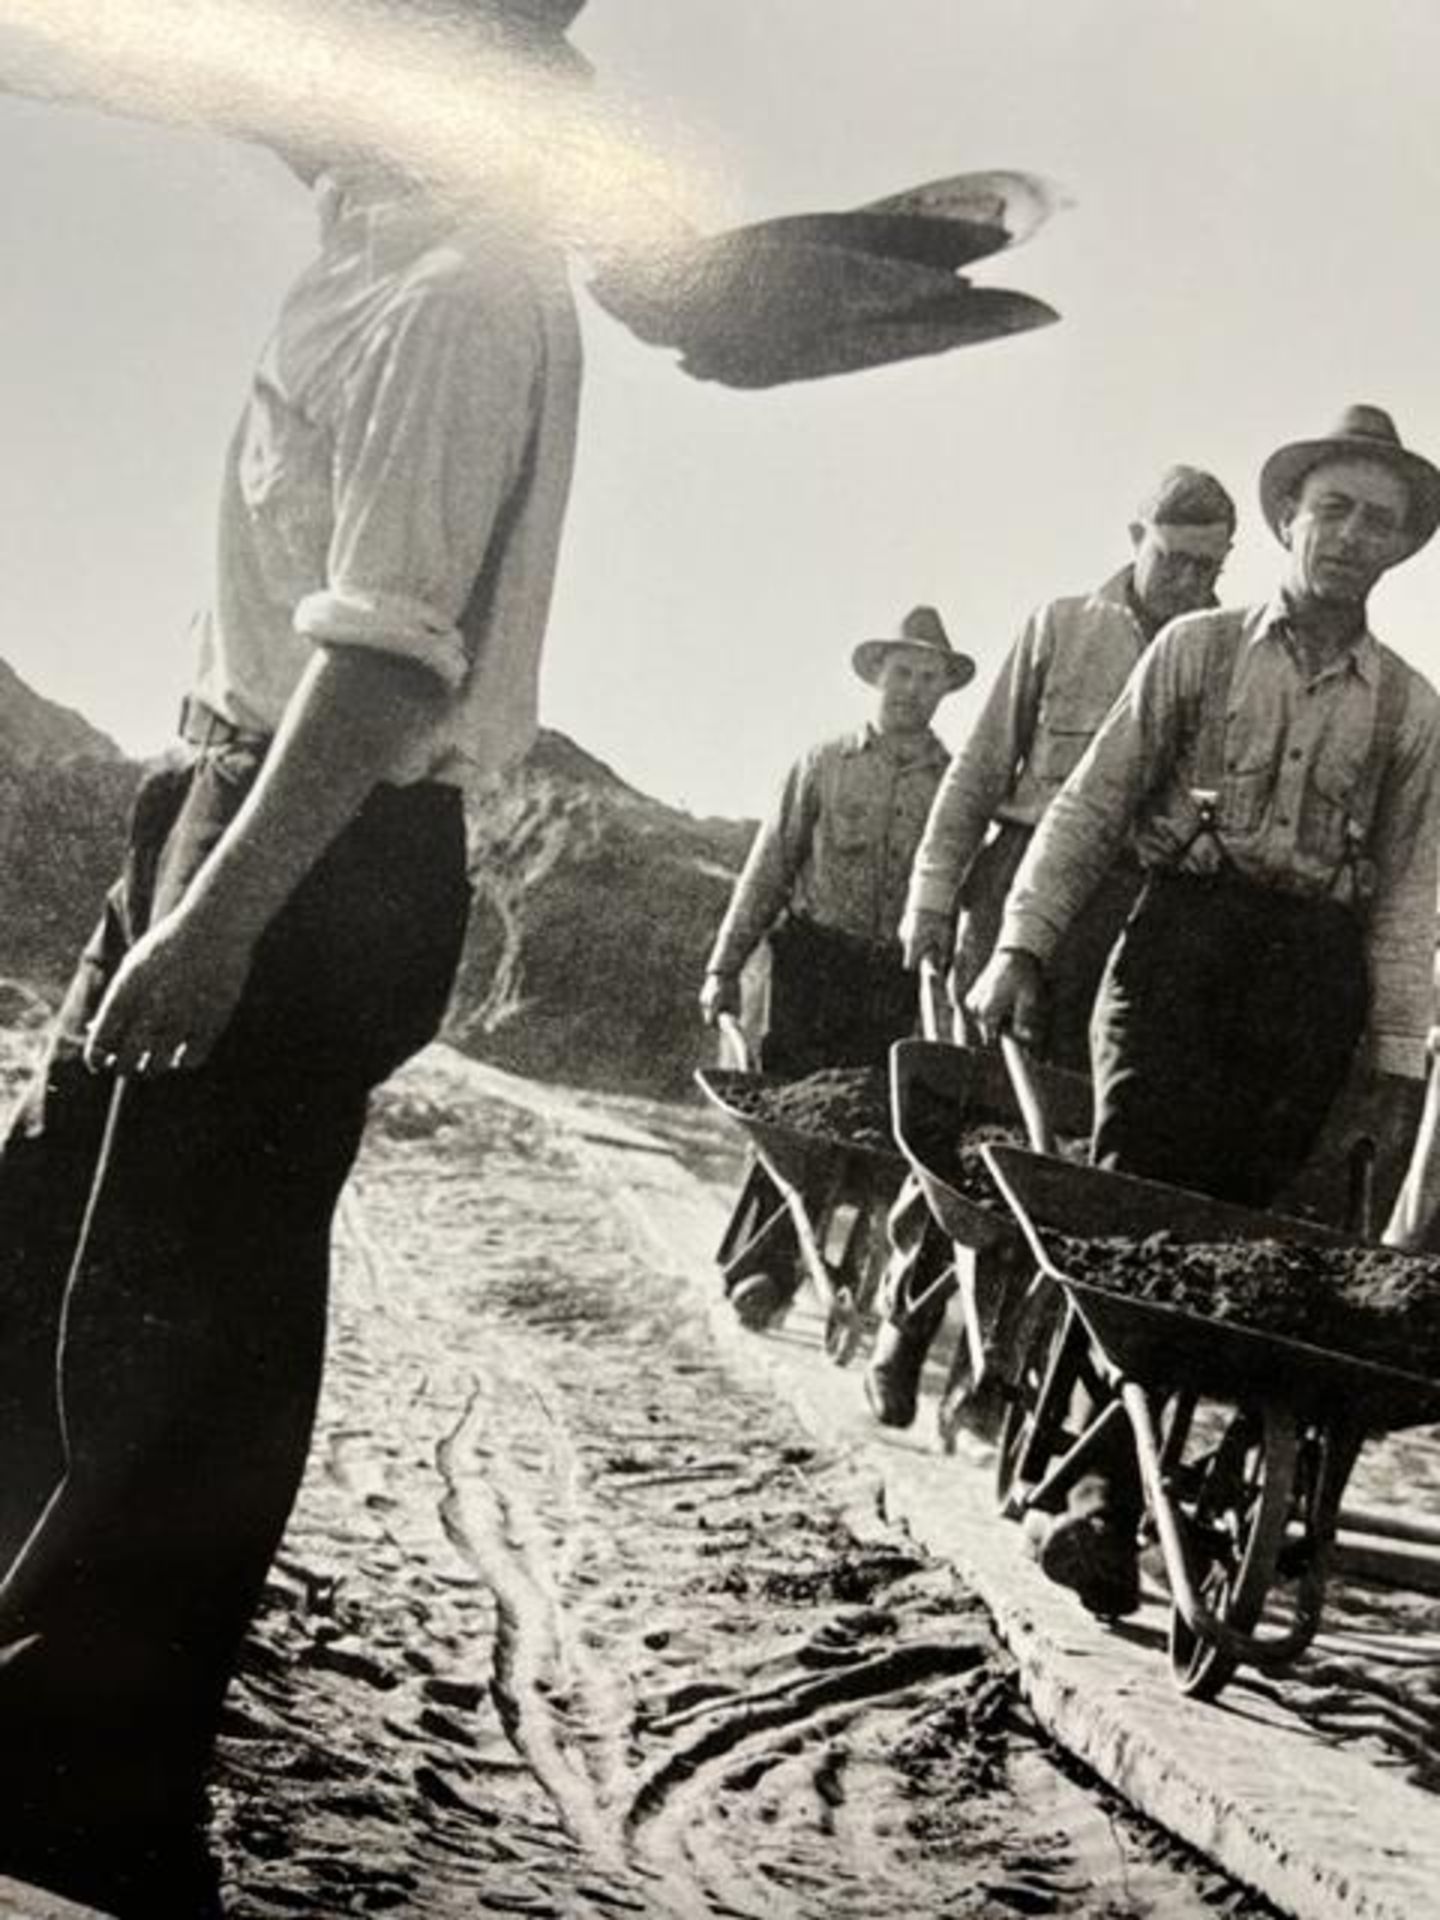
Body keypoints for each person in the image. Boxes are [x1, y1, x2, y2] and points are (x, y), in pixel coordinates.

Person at [0, 3, 588, 1908]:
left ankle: (88, 1814)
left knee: (178, 1340)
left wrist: (214, 920)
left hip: (312, 848)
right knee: (47, 1256)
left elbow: (384, 660)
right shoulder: (379, 243)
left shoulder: (458, 291)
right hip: (223, 805)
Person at [970, 404, 1440, 1617]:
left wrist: (1393, 1059)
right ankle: (1096, 1501)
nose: (1347, 536)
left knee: (1239, 1240)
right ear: (1288, 519)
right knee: (1130, 1205)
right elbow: (1089, 803)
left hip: (1309, 984)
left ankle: (1138, 1489)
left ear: (1400, 550)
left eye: (1376, 522)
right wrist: (1022, 944)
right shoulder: (1194, 650)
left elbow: (1407, 899)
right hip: (1176, 948)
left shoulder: (1411, 711)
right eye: (1330, 508)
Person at [864, 468, 1236, 1428]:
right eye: (1174, 557)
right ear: (1133, 536)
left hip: (1134, 915)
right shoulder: (1061, 627)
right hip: (1018, 899)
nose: (1192, 580)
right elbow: (981, 771)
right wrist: (933, 896)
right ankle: (908, 1325)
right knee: (974, 1136)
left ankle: (1006, 1377)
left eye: (1211, 565)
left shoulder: (1225, 657)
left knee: (1069, 1158)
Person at [699, 606, 973, 1325]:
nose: (911, 688)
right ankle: (765, 1272)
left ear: (946, 689)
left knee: (862, 1130)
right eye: (900, 672)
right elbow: (767, 868)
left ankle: (819, 1266)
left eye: (927, 676)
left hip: (893, 982)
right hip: (812, 965)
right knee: (794, 1119)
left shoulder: (957, 787)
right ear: (876, 676)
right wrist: (725, 964)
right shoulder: (821, 764)